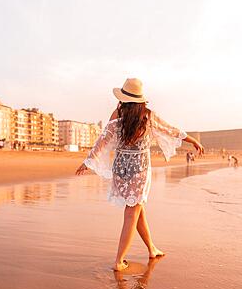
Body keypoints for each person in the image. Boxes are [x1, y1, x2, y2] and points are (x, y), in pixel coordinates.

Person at [75, 78, 204, 271]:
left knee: (137, 209)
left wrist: (88, 160)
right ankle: (119, 261)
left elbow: (104, 138)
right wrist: (193, 140)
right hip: (139, 169)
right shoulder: (147, 115)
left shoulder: (118, 113)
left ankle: (151, 248)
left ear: (124, 97)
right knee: (132, 213)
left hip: (120, 169)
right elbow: (171, 130)